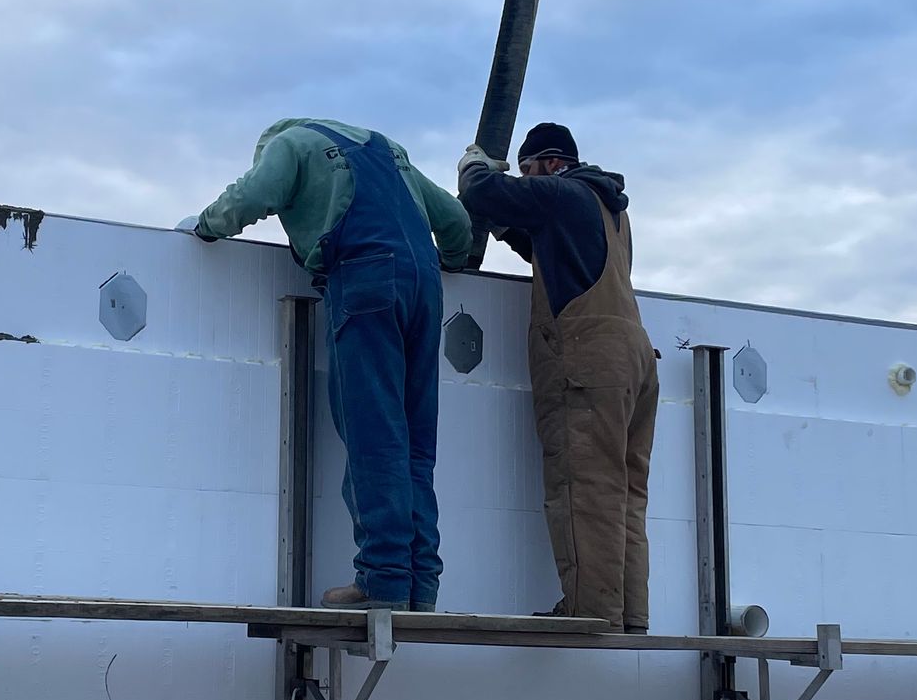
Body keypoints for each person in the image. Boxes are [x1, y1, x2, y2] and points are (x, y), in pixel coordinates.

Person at [185, 120, 473, 612]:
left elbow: (250, 197)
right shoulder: (388, 149)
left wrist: (205, 227)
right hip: (425, 287)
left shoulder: (289, 144)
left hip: (365, 281)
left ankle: (383, 579)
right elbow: (455, 220)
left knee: (374, 434)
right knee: (415, 443)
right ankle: (421, 584)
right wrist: (453, 258)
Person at [457, 122, 656, 632]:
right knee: (625, 494)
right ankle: (629, 614)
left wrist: (476, 167)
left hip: (590, 359)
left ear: (549, 164)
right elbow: (545, 248)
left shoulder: (562, 193)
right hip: (635, 359)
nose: (526, 181)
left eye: (528, 172)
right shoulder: (609, 209)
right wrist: (507, 227)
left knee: (584, 487)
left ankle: (592, 612)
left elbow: (483, 191)